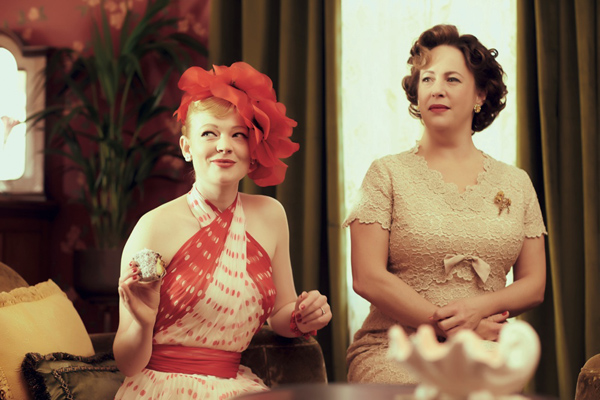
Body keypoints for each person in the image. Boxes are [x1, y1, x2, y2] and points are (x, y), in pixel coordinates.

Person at [113, 61, 332, 399]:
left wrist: (304, 316)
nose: (224, 145)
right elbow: (128, 364)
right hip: (160, 387)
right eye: (209, 133)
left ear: (253, 148)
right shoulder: (153, 226)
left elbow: (281, 313)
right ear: (187, 148)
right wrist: (142, 323)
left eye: (238, 134)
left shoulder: (272, 215)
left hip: (234, 386)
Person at [344, 24, 547, 384]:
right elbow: (367, 277)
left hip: (485, 348)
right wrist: (451, 326)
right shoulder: (385, 173)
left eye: (452, 79)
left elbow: (534, 284)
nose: (436, 88)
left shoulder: (516, 182)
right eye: (427, 79)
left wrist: (477, 311)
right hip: (396, 349)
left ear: (480, 93)